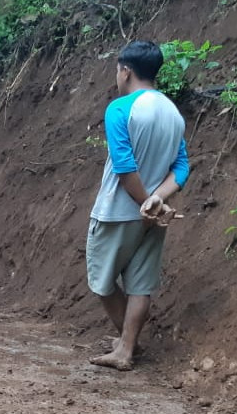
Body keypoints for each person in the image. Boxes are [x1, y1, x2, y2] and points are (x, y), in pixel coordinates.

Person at [87, 40, 189, 371]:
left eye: (117, 70)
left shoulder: (120, 109)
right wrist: (158, 201)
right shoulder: (173, 113)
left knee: (102, 282)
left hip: (117, 212)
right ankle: (126, 348)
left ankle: (126, 348)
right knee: (140, 285)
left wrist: (146, 201)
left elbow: (124, 166)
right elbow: (182, 166)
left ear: (126, 71)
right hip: (153, 218)